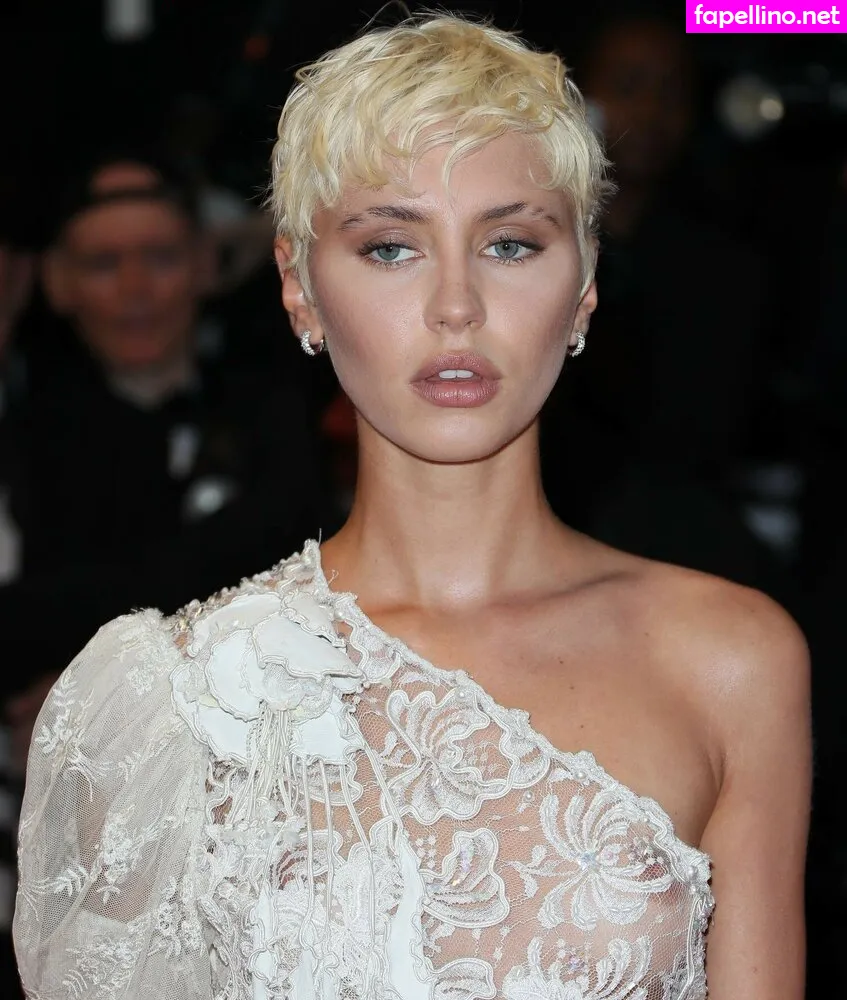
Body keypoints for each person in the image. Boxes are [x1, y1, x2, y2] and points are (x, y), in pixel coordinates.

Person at [13, 14, 810, 999]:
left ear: (584, 284)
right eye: (391, 248)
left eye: (510, 243)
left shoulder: (727, 660)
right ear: (299, 288)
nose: (455, 306)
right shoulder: (172, 701)